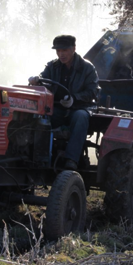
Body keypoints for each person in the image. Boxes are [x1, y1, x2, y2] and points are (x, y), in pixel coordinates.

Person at [29, 35, 100, 171]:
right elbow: (44, 81)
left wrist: (74, 98)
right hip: (57, 109)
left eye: (64, 50)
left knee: (80, 117)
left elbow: (92, 92)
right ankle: (36, 157)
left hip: (79, 107)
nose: (61, 54)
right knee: (38, 117)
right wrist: (36, 81)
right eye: (58, 51)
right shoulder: (52, 66)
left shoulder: (87, 68)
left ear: (73, 49)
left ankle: (71, 160)